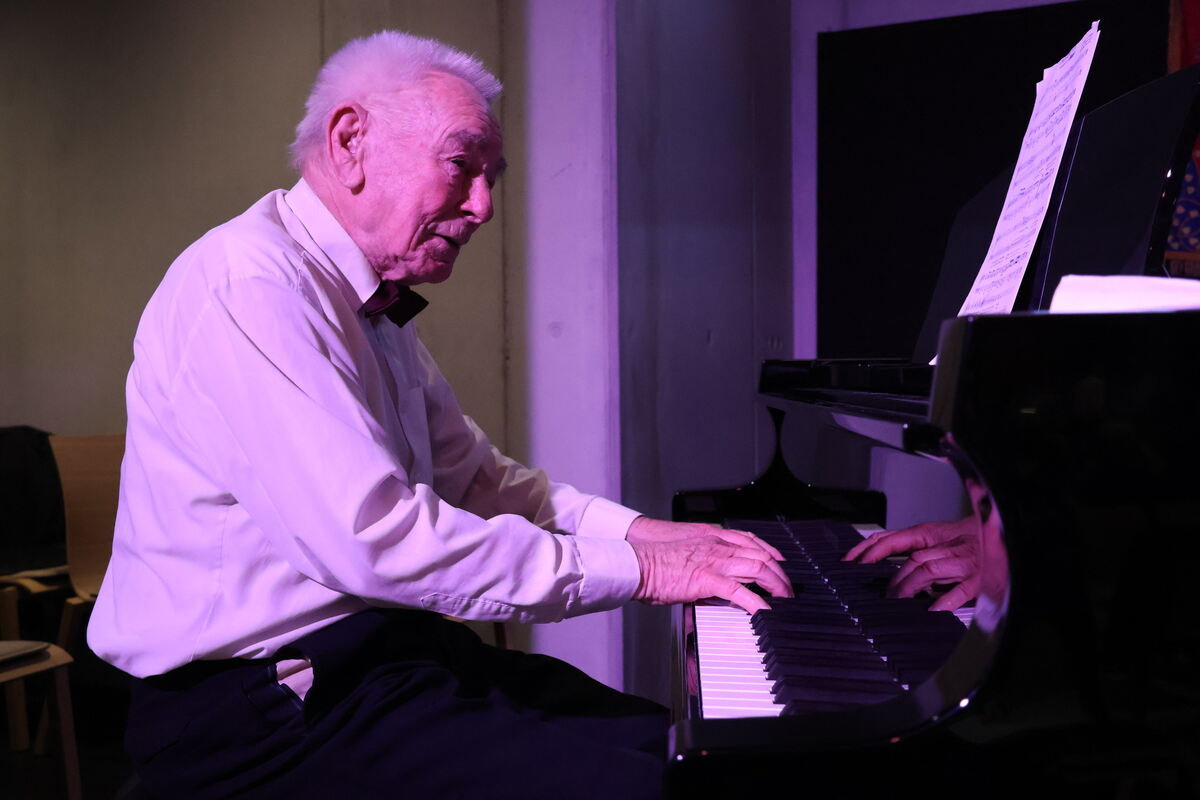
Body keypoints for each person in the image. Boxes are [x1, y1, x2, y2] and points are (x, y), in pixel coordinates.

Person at [87, 30, 789, 799]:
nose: (483, 206)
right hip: (257, 709)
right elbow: (378, 540)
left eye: (492, 178)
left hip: (379, 658)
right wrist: (646, 573)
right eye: (461, 164)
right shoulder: (248, 283)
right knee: (648, 784)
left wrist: (640, 534)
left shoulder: (370, 300)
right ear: (350, 142)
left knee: (670, 745)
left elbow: (479, 481)